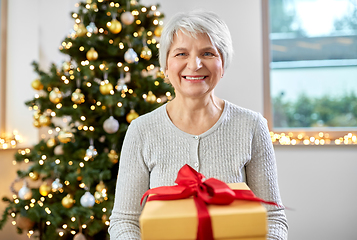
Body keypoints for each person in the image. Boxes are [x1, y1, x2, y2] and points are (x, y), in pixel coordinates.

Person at [109, 9, 288, 240]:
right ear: (165, 66)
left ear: (222, 64)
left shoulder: (252, 126)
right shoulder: (141, 130)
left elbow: (273, 217)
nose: (194, 65)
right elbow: (124, 221)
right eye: (181, 54)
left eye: (208, 53)